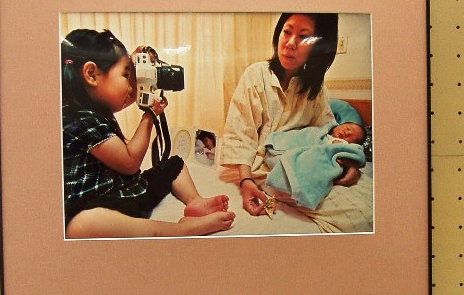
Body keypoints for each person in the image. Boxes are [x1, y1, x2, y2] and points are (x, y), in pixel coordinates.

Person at [62, 29, 234, 238]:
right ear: (91, 74)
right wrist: (149, 116)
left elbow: (127, 96)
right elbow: (129, 163)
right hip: (101, 204)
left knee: (174, 164)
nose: (130, 86)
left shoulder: (95, 111)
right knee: (83, 224)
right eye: (125, 75)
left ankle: (195, 202)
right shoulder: (78, 120)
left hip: (127, 191)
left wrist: (139, 70)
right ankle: (183, 229)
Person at [220, 13, 370, 232]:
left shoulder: (316, 89)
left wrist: (351, 163)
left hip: (309, 163)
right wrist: (246, 181)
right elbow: (240, 135)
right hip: (269, 170)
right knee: (361, 213)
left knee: (372, 196)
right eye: (287, 32)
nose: (290, 43)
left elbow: (327, 132)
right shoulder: (256, 75)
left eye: (304, 37)